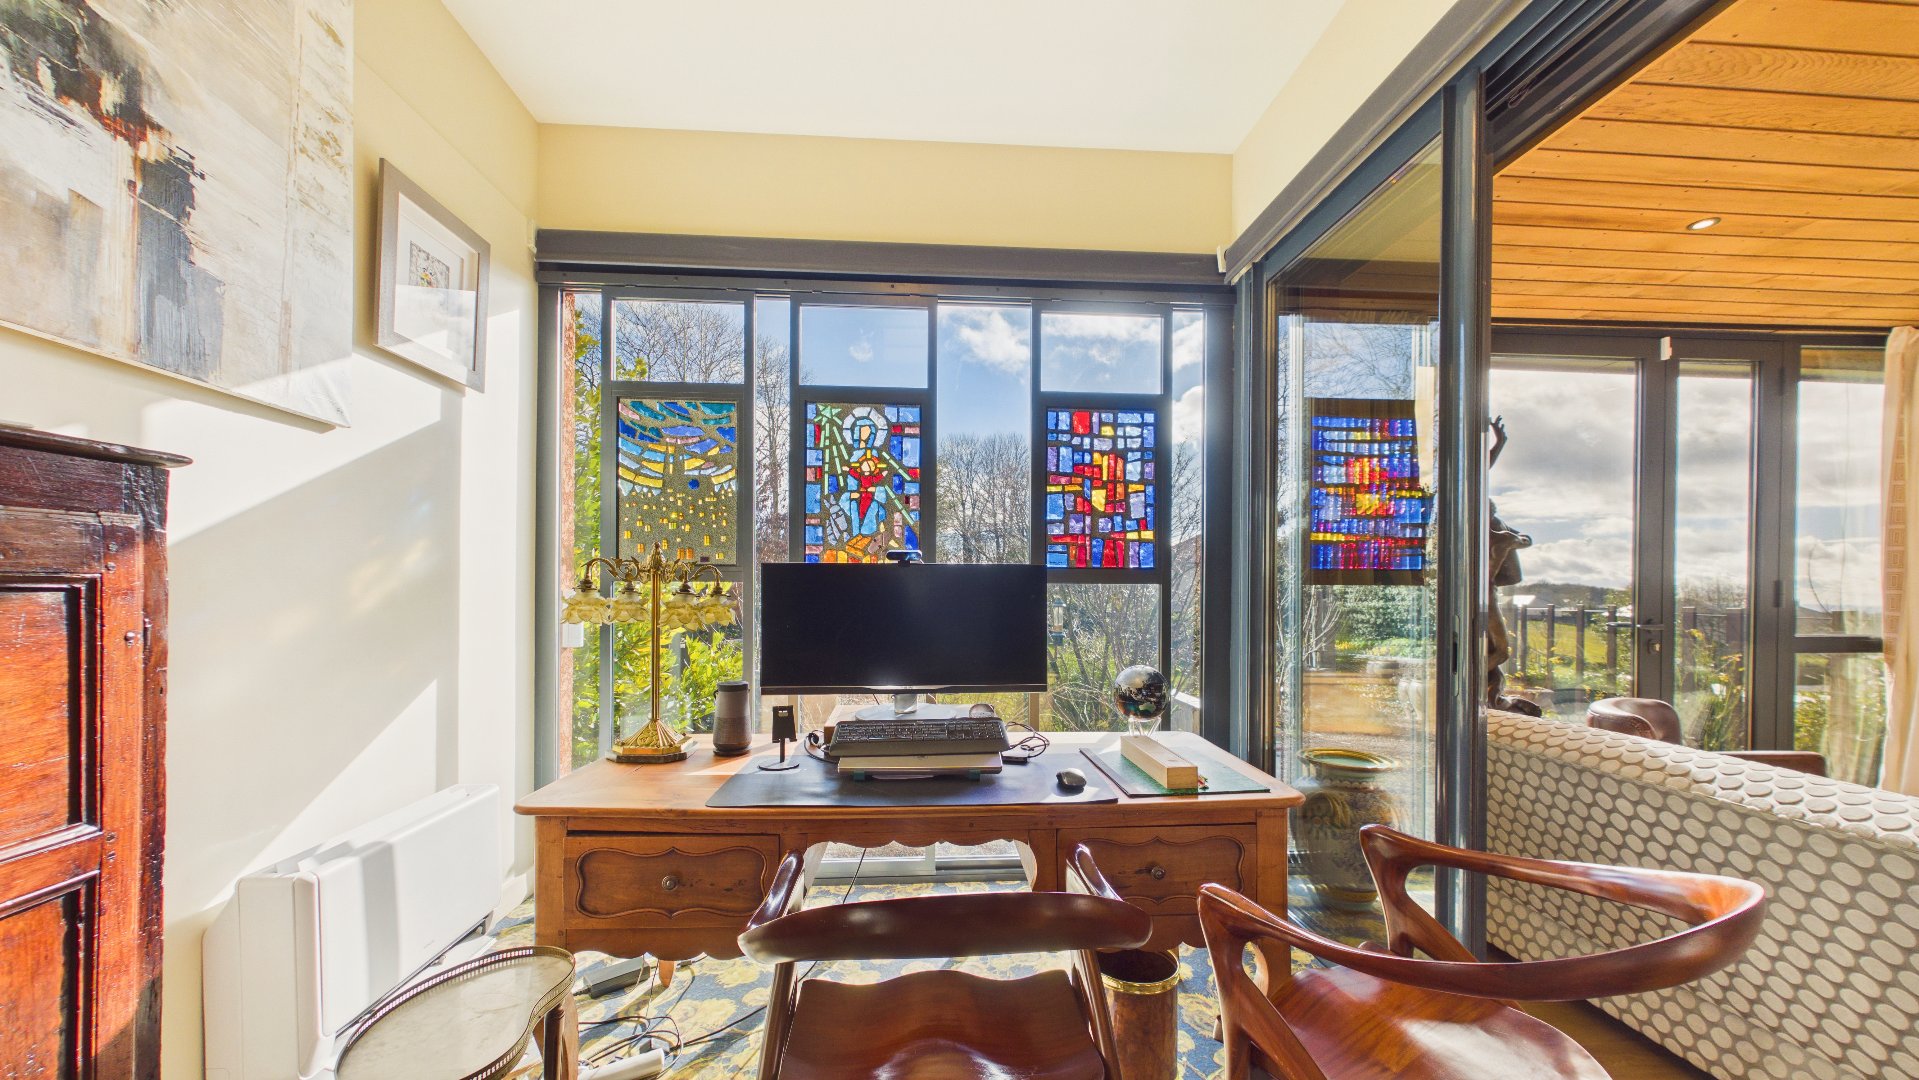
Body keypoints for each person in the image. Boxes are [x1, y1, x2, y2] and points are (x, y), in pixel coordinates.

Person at [1486, 417, 1542, 716]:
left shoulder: (1496, 534)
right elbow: (1525, 541)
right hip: (1484, 594)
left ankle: (1484, 693)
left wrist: (1500, 444)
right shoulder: (1501, 535)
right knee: (1501, 650)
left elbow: (1479, 471)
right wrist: (1499, 443)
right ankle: (1474, 686)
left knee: (1496, 650)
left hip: (1484, 593)